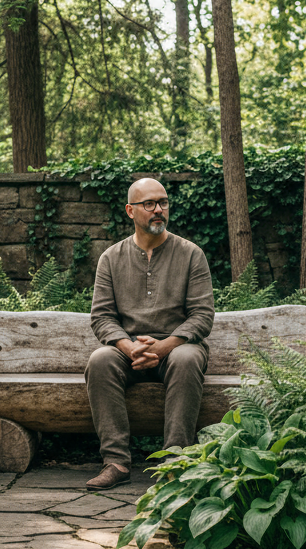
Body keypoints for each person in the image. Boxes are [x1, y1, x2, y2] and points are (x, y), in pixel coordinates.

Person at [84, 177, 215, 490]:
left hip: (177, 347)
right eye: (149, 204)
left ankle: (176, 463)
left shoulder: (191, 254)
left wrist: (165, 346)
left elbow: (202, 315)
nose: (159, 210)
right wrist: (129, 348)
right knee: (100, 360)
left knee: (186, 358)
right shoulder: (111, 258)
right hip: (129, 351)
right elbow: (101, 317)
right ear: (131, 210)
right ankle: (116, 463)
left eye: (163, 203)